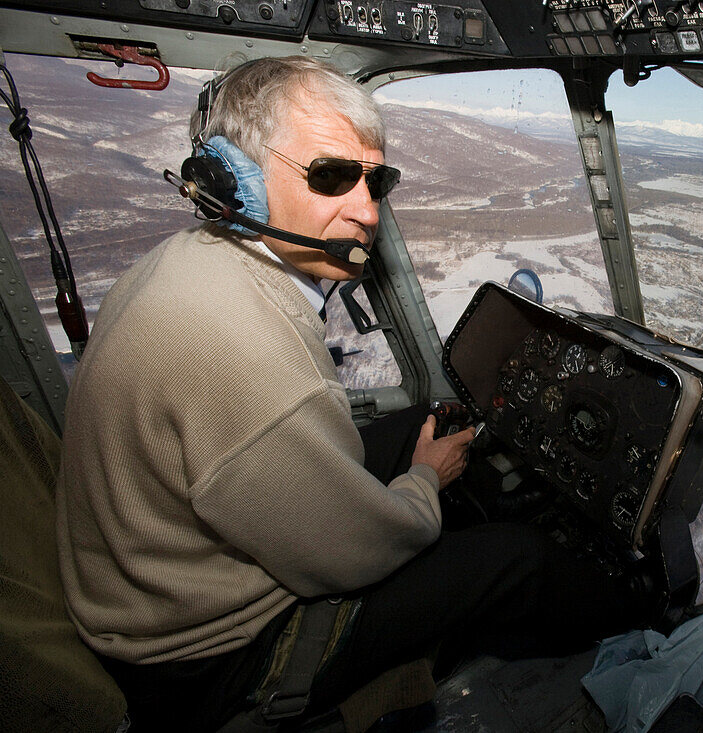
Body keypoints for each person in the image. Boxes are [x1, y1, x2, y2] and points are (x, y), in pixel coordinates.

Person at [56, 56, 641, 732]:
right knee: (516, 560)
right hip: (209, 660)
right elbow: (355, 554)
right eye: (330, 175)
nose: (366, 210)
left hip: (149, 589)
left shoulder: (182, 261)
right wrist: (423, 484)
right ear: (232, 178)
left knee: (425, 420)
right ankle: (646, 615)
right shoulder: (245, 350)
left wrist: (417, 466)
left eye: (376, 179)